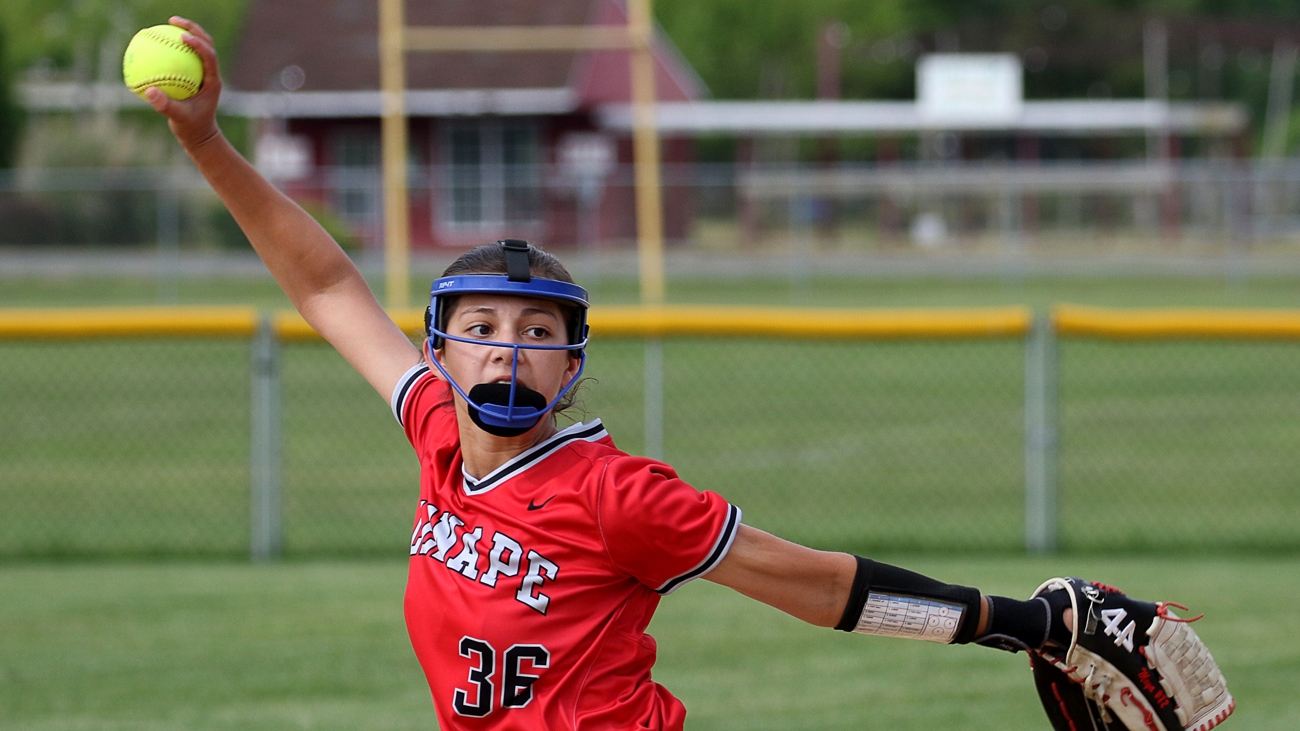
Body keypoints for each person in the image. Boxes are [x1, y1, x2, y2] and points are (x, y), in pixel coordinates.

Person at [146, 19, 1233, 731]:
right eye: (479, 325)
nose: (507, 347)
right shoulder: (435, 431)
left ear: (573, 365)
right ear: (437, 348)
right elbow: (328, 286)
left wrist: (1018, 622)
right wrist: (205, 145)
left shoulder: (613, 494)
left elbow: (816, 584)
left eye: (537, 331)